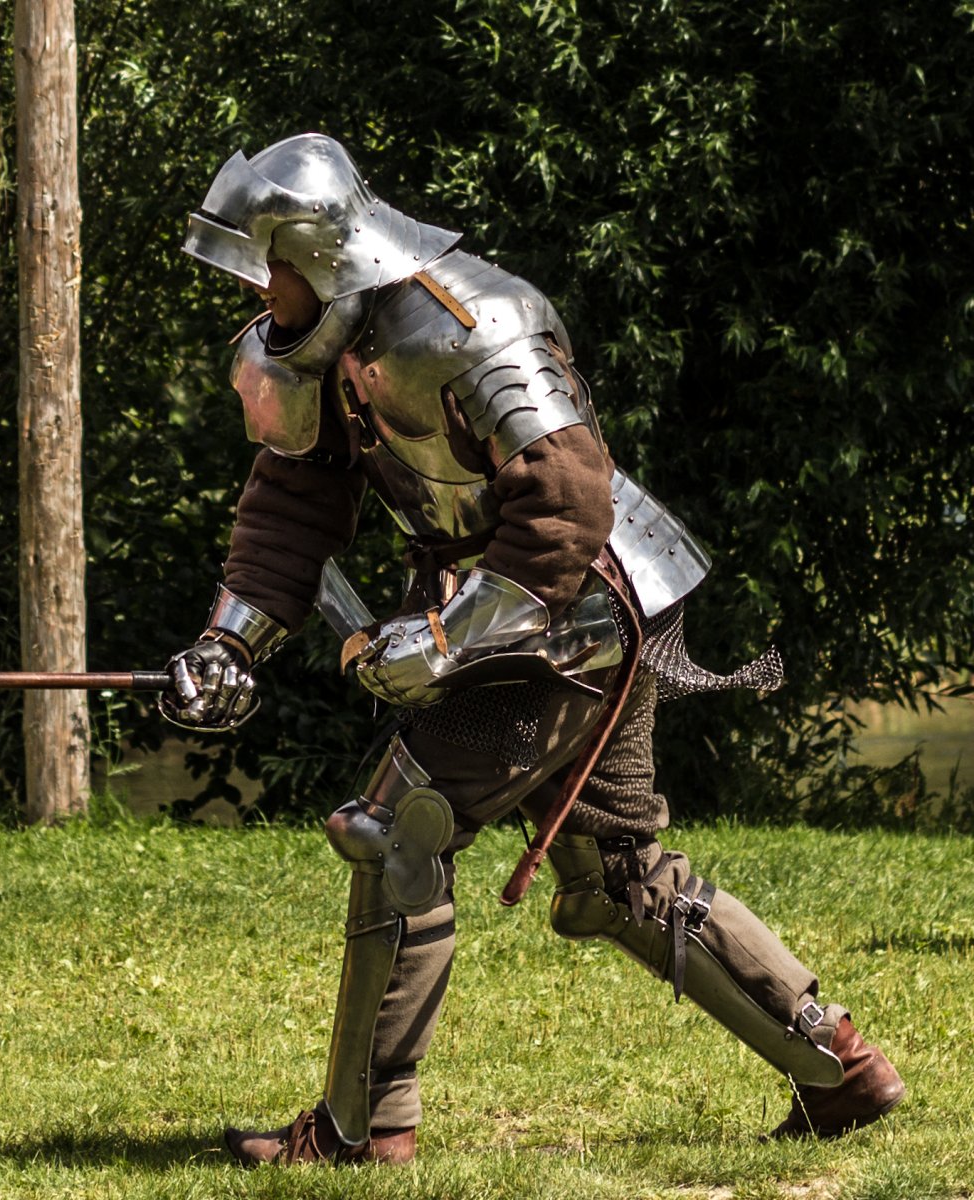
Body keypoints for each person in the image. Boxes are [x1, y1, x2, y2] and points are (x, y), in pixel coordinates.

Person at [165, 134, 904, 1165]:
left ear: (321, 253)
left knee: (394, 830)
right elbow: (290, 503)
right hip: (555, 623)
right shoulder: (317, 350)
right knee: (617, 879)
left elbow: (564, 504)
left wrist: (441, 639)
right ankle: (838, 1071)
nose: (256, 293)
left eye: (266, 267)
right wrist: (229, 642)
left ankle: (358, 1130)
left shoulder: (471, 327)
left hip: (566, 618)